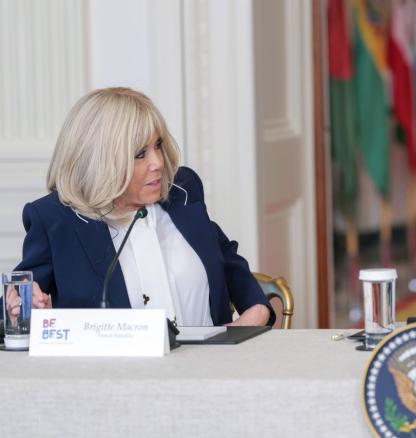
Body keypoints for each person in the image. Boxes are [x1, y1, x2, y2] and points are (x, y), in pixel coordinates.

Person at [15, 87, 274, 327]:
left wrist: (256, 307)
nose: (158, 162)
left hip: (211, 362)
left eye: (158, 145)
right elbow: (18, 304)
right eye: (140, 154)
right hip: (114, 364)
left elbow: (225, 258)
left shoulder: (183, 191)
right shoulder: (55, 220)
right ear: (100, 162)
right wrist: (23, 309)